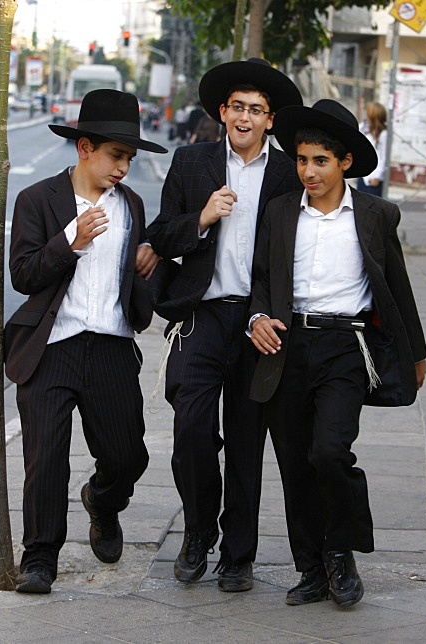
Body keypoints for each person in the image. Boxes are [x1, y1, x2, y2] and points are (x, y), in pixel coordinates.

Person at [248, 99, 426, 609]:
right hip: (287, 345)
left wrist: (416, 352)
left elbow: (397, 286)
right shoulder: (281, 212)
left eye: (320, 161)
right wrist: (258, 317)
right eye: (302, 160)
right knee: (294, 464)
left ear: (344, 162)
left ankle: (341, 554)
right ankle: (310, 568)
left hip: (346, 348)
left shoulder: (375, 214)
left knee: (329, 452)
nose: (308, 171)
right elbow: (261, 277)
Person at [146, 58, 303, 593]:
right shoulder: (191, 163)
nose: (244, 117)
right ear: (222, 112)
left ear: (270, 121)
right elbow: (162, 235)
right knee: (191, 429)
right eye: (237, 107)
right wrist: (202, 219)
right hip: (203, 315)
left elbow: (291, 255)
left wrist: (268, 312)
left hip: (260, 321)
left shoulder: (287, 174)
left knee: (245, 439)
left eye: (256, 110)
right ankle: (196, 534)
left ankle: (238, 554)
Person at [3, 90, 167, 594]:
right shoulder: (38, 200)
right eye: (116, 155)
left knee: (127, 457)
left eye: (130, 159)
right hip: (51, 347)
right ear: (84, 148)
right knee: (45, 459)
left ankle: (102, 501)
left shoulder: (132, 205)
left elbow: (131, 277)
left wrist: (147, 268)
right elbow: (23, 275)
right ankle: (40, 559)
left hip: (112, 347)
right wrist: (70, 242)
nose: (123, 167)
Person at [357, 101, 387, 197]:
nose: (367, 116)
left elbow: (383, 157)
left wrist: (377, 176)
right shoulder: (364, 128)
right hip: (363, 176)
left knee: (372, 208)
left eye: (369, 113)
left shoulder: (383, 134)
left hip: (374, 178)